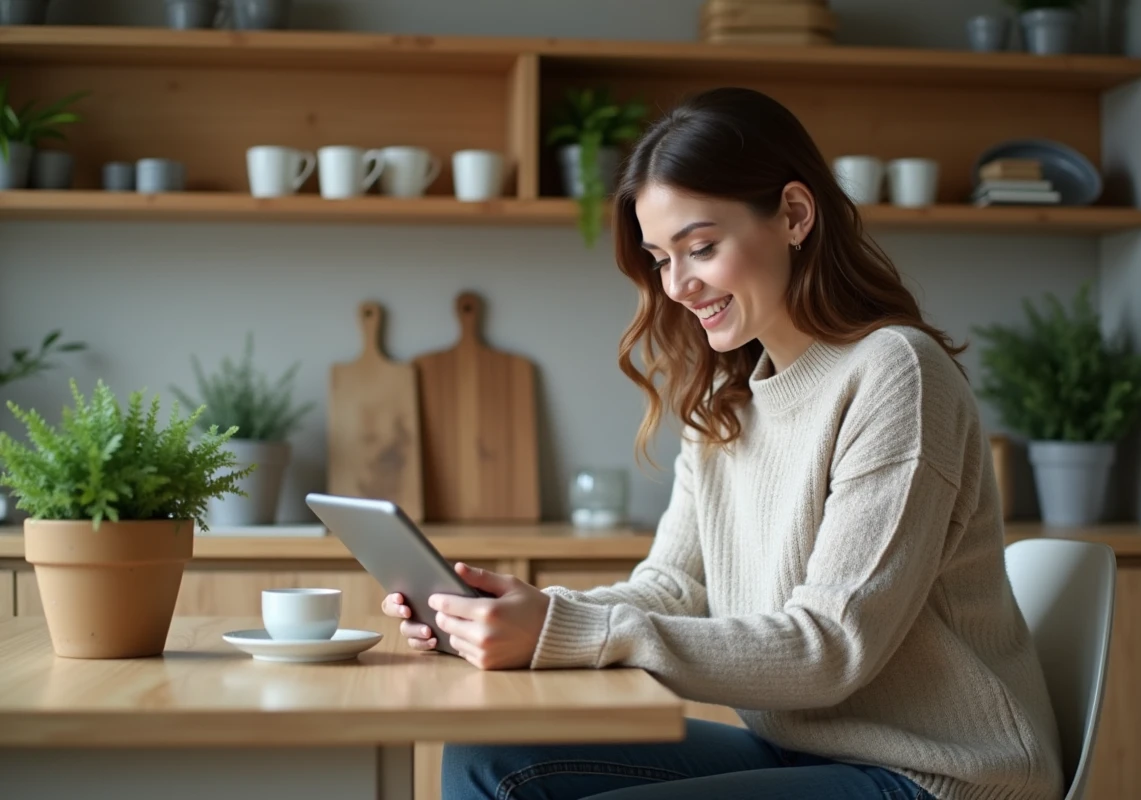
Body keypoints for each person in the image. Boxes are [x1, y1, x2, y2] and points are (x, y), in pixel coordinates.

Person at [382, 86, 1064, 800]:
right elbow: (672, 590)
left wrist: (562, 630)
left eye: (701, 247)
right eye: (658, 258)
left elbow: (832, 646)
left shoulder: (894, 374)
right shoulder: (724, 402)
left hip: (939, 772)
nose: (677, 284)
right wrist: (510, 613)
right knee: (487, 758)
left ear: (795, 215)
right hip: (802, 750)